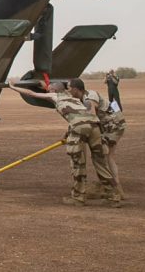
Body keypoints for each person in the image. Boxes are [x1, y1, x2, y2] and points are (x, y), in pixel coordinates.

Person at [8, 77, 120, 207]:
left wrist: (13, 87)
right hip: (95, 127)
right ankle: (114, 197)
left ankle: (78, 197)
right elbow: (80, 115)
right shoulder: (74, 97)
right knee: (100, 163)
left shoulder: (55, 96)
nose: (47, 90)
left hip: (79, 127)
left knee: (78, 163)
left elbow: (31, 93)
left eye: (49, 88)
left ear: (54, 90)